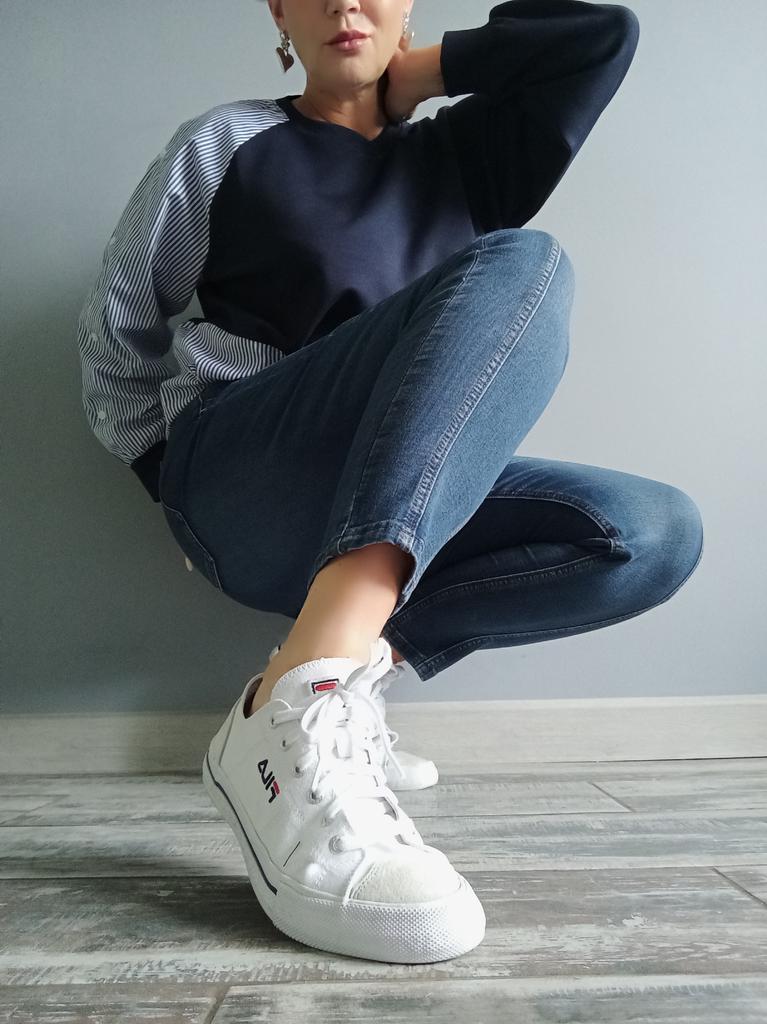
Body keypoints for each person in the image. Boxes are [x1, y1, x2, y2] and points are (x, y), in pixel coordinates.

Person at [76, 0, 703, 964]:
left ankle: (327, 686)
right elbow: (120, 317)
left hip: (391, 497)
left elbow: (600, 37)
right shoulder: (225, 143)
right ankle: (301, 704)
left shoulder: (466, 159)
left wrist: (416, 74)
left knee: (652, 532)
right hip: (245, 476)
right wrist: (165, 478)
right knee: (526, 259)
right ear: (278, 11)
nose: (343, 3)